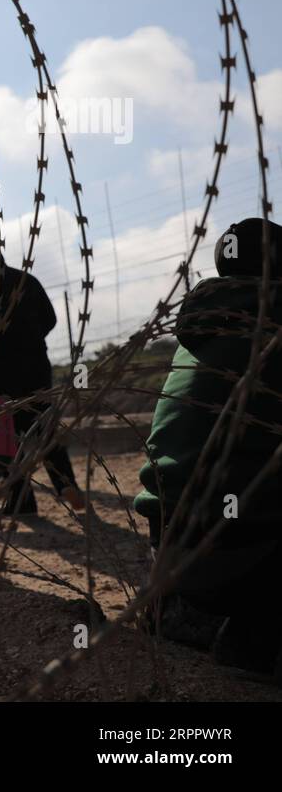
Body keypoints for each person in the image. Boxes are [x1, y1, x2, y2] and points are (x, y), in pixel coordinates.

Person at [136, 218, 282, 677]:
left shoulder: (205, 325)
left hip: (171, 540)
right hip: (237, 546)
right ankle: (257, 635)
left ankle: (184, 607)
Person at [0, 240, 85, 514]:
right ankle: (66, 484)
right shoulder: (25, 280)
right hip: (35, 367)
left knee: (7, 439)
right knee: (43, 428)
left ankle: (22, 500)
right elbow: (50, 318)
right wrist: (29, 341)